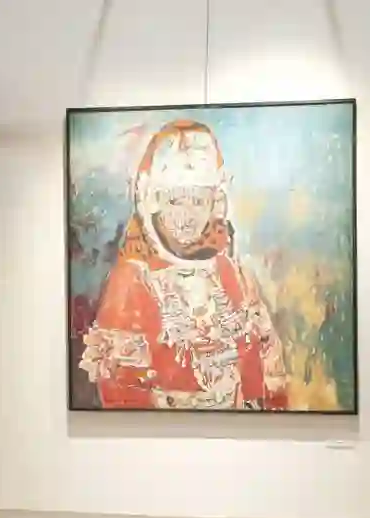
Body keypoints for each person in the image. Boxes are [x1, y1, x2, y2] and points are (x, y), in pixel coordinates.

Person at [79, 119, 289, 410]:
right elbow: (121, 394)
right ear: (153, 200)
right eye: (176, 201)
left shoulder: (235, 275)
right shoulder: (132, 282)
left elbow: (270, 372)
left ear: (214, 203)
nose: (187, 215)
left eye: (198, 201)